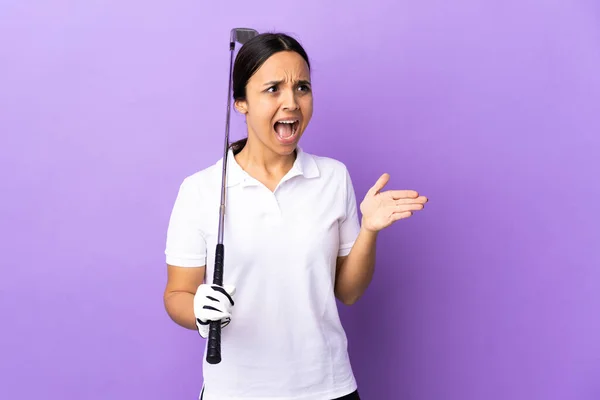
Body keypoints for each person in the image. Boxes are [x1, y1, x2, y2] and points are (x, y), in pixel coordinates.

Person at [163, 32, 428, 400]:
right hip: (235, 391)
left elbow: (348, 292)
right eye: (273, 89)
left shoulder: (333, 178)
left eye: (302, 87)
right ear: (241, 102)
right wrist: (197, 309)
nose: (292, 102)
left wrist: (369, 230)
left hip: (327, 388)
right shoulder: (200, 190)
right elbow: (176, 293)